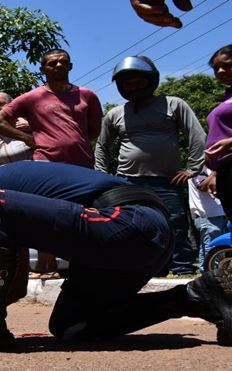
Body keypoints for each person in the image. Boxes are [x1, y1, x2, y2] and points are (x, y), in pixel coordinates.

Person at [0, 155, 232, 351]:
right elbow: (9, 286)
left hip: (128, 221)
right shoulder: (0, 211)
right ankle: (197, 296)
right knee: (72, 327)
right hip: (139, 241)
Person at [0, 49, 103, 279]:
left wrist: (73, 142)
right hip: (47, 166)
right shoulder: (33, 97)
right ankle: (45, 266)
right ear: (43, 69)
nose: (58, 66)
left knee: (83, 217)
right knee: (48, 217)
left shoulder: (87, 95)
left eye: (63, 62)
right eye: (52, 63)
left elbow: (94, 130)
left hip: (82, 165)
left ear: (71, 66)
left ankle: (78, 267)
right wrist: (29, 139)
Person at [94, 55, 204, 276]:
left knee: (175, 225)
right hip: (127, 181)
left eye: (138, 82)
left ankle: (182, 268)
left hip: (167, 180)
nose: (133, 87)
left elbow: (197, 135)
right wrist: (102, 176)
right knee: (134, 226)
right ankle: (147, 268)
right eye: (128, 84)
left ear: (151, 80)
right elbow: (102, 146)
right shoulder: (116, 113)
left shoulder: (173, 104)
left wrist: (193, 169)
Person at [205, 45, 232, 222]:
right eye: (216, 68)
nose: (221, 71)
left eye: (227, 65)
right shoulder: (227, 96)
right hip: (224, 171)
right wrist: (214, 173)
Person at [189, 170, 227, 273]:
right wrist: (215, 173)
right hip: (208, 215)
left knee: (211, 249)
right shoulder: (199, 170)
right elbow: (202, 186)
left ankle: (206, 276)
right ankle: (212, 276)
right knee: (212, 250)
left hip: (218, 214)